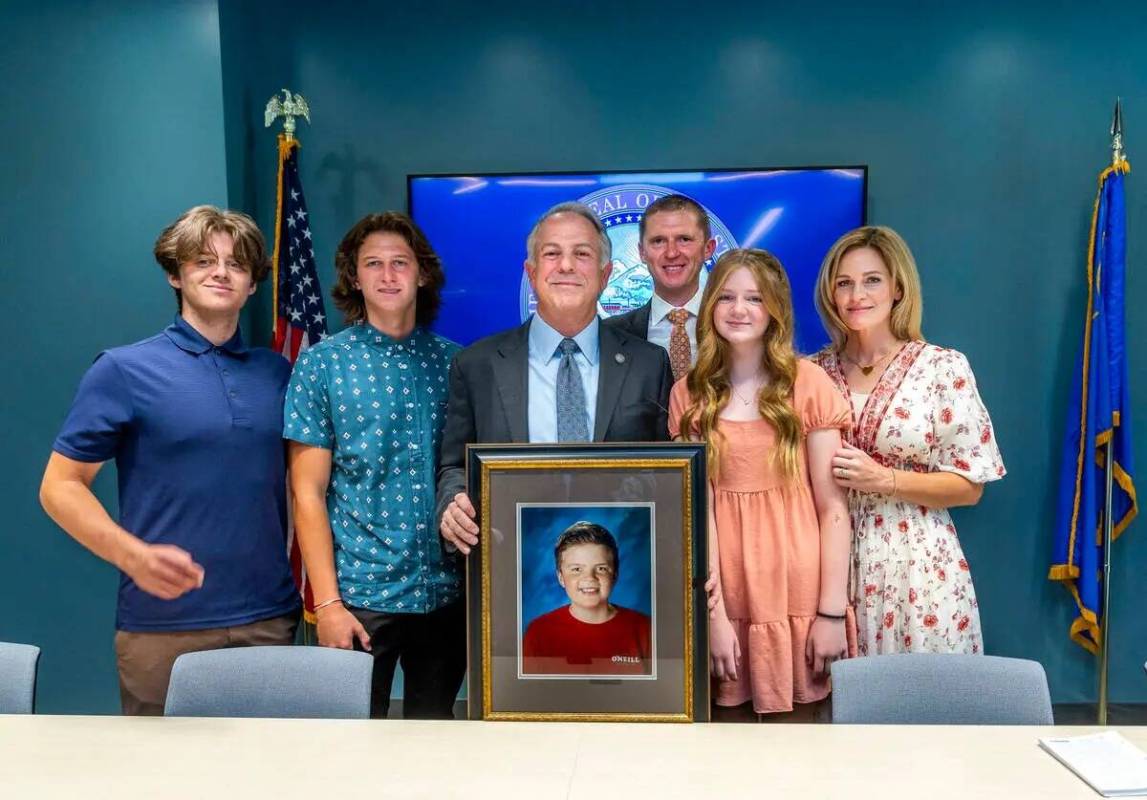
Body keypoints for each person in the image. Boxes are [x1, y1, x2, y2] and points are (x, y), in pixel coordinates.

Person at [39, 205, 300, 715]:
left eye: (236, 264)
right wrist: (132, 555)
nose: (221, 272)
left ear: (252, 286)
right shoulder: (122, 370)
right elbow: (59, 486)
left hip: (269, 618)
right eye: (204, 260)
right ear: (175, 275)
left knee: (269, 780)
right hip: (163, 628)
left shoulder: (277, 373)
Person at [284, 212, 464, 719]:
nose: (388, 276)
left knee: (437, 736)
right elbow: (307, 493)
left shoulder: (456, 363)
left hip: (446, 596)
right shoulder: (322, 364)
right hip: (360, 598)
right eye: (374, 264)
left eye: (400, 263)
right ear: (355, 277)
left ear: (422, 273)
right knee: (353, 748)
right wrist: (327, 606)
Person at [669, 248, 854, 719]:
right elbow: (697, 511)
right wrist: (713, 618)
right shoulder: (688, 393)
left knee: (803, 749)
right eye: (727, 296)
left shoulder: (809, 384)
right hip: (725, 592)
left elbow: (833, 509)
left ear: (775, 309)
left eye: (755, 298)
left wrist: (831, 613)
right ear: (709, 305)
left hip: (798, 588)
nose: (739, 308)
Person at [437, 202, 674, 554]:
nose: (566, 265)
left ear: (605, 274)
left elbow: (668, 473)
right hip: (511, 561)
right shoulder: (476, 365)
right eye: (552, 253)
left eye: (582, 253)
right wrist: (452, 505)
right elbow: (455, 466)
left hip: (623, 563)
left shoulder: (649, 363)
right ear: (530, 272)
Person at [811, 226, 1004, 656]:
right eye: (844, 283)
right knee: (835, 708)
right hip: (826, 568)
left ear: (898, 288)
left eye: (871, 280)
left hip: (918, 571)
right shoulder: (810, 372)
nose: (856, 294)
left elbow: (970, 487)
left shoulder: (942, 368)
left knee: (925, 708)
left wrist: (886, 480)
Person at [605, 194, 716, 381]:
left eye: (684, 239)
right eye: (658, 241)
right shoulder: (609, 335)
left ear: (708, 249)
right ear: (642, 252)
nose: (672, 253)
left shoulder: (736, 330)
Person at [522, 521, 652, 676]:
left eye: (601, 568)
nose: (590, 578)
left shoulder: (645, 629)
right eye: (576, 569)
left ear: (615, 574)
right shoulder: (539, 632)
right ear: (561, 577)